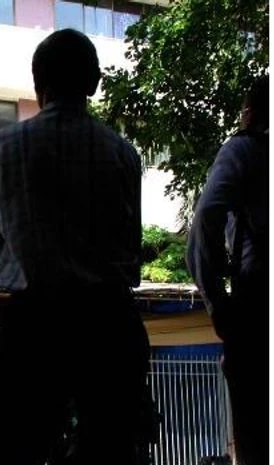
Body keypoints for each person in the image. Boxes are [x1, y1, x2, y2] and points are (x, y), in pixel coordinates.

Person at [0, 29, 150, 465]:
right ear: (93, 84)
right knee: (113, 448)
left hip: (34, 327)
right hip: (109, 326)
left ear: (38, 85)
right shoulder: (123, 154)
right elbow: (131, 251)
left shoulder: (6, 145)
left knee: (15, 448)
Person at [187, 75, 268, 465]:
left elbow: (206, 219)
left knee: (255, 436)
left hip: (257, 312)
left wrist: (217, 304)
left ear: (250, 113)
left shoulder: (245, 151)